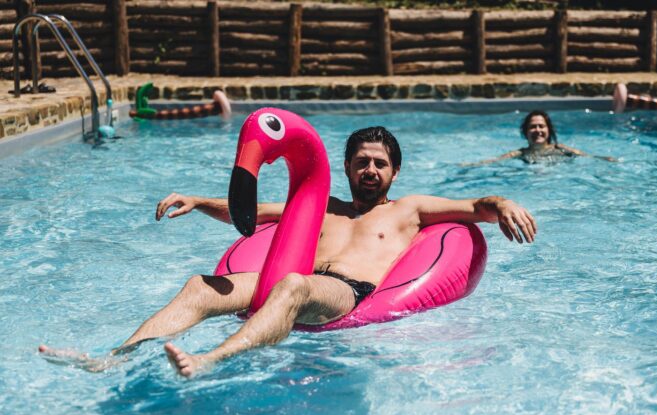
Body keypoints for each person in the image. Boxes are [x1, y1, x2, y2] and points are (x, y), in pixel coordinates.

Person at [39, 126, 537, 377]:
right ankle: (113, 358)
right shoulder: (322, 207)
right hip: (288, 277)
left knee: (294, 286)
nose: (369, 170)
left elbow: (476, 206)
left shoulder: (409, 209)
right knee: (200, 286)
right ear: (344, 166)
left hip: (346, 291)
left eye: (379, 164)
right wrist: (197, 200)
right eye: (361, 161)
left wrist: (504, 202)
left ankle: (210, 360)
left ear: (394, 173)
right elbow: (256, 215)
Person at [467, 110, 615, 165]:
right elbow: (495, 161)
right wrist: (471, 165)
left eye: (541, 126)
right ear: (526, 132)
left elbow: (587, 156)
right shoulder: (520, 153)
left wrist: (604, 159)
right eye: (533, 127)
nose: (537, 130)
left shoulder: (561, 149)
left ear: (548, 130)